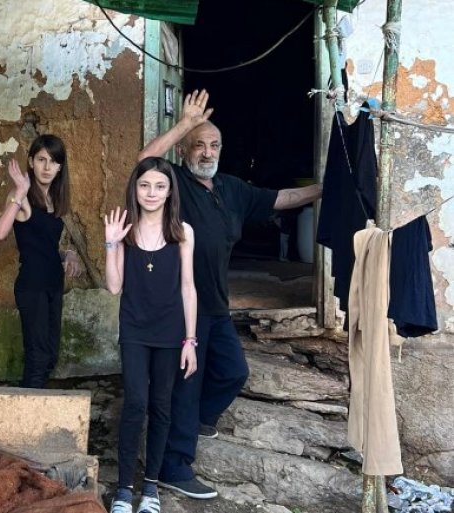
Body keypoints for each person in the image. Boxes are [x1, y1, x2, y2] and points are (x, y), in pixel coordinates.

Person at [137, 90, 322, 499]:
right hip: (180, 304)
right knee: (186, 386)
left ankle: (197, 422)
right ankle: (174, 467)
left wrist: (325, 189)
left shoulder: (231, 188)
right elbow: (143, 161)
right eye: (198, 145)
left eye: (214, 145)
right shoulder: (173, 183)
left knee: (233, 372)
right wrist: (185, 123)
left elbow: (282, 198)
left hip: (217, 304)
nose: (207, 152)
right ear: (184, 150)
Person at [104, 157, 199, 513]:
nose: (152, 193)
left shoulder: (183, 232)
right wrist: (111, 244)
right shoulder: (125, 231)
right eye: (145, 185)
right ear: (135, 188)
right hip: (134, 329)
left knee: (161, 406)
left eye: (160, 186)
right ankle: (123, 490)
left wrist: (190, 341)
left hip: (171, 332)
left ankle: (151, 489)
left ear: (170, 191)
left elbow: (188, 288)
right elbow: (114, 287)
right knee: (135, 403)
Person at [0, 134, 82, 388]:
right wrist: (20, 191)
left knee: (50, 356)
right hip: (32, 287)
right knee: (38, 356)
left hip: (53, 284)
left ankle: (35, 405)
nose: (47, 167)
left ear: (60, 167)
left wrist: (68, 254)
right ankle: (28, 410)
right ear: (31, 162)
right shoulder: (22, 197)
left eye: (53, 161)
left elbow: (45, 246)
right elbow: (0, 232)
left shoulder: (54, 199)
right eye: (41, 159)